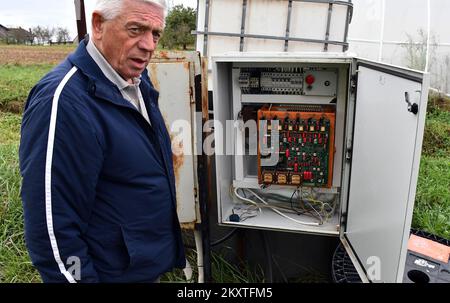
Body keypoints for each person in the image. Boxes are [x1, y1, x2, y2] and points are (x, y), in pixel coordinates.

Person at [19, 0, 185, 283]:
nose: (149, 45)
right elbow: (51, 229)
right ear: (98, 25)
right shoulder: (63, 102)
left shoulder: (136, 81)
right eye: (136, 29)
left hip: (141, 269)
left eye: (155, 33)